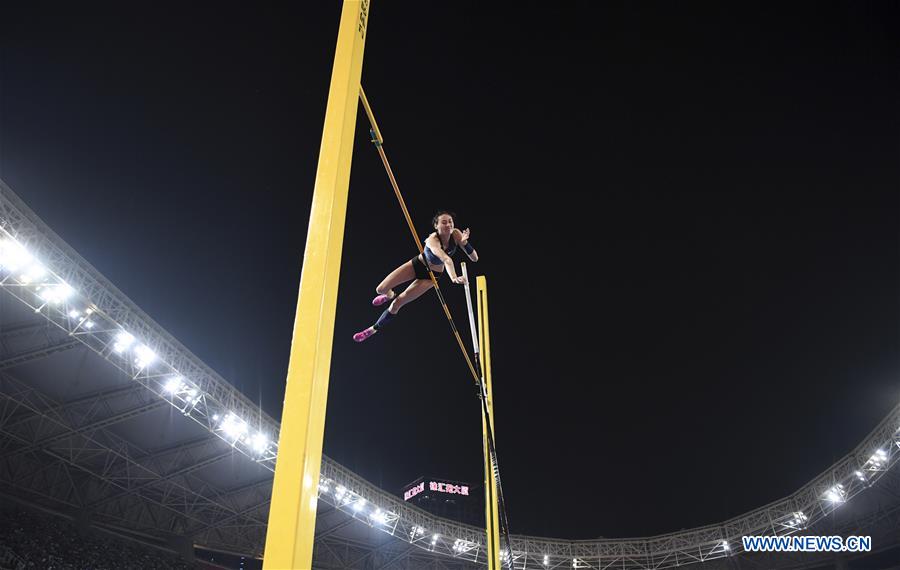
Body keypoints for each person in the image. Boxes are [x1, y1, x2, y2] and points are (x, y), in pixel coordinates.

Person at [353, 210, 478, 342]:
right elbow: (446, 259)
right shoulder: (432, 240)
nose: (448, 225)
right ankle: (389, 295)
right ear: (436, 225)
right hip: (417, 265)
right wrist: (453, 277)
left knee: (397, 303)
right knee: (380, 289)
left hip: (431, 277)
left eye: (450, 222)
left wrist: (465, 244)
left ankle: (372, 329)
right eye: (444, 222)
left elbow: (474, 258)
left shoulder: (457, 234)